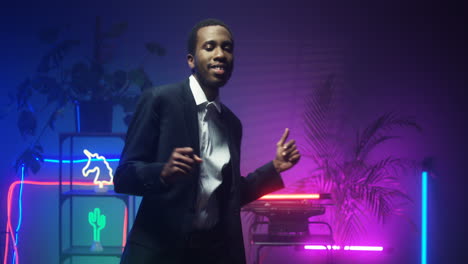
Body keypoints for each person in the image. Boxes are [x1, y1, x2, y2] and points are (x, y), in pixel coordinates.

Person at [114, 18, 301, 264]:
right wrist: (162, 172)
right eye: (210, 47)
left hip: (212, 253)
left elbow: (230, 197)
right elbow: (123, 178)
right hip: (159, 253)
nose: (220, 54)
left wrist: (274, 168)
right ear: (191, 59)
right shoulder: (159, 100)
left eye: (227, 47)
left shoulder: (232, 124)